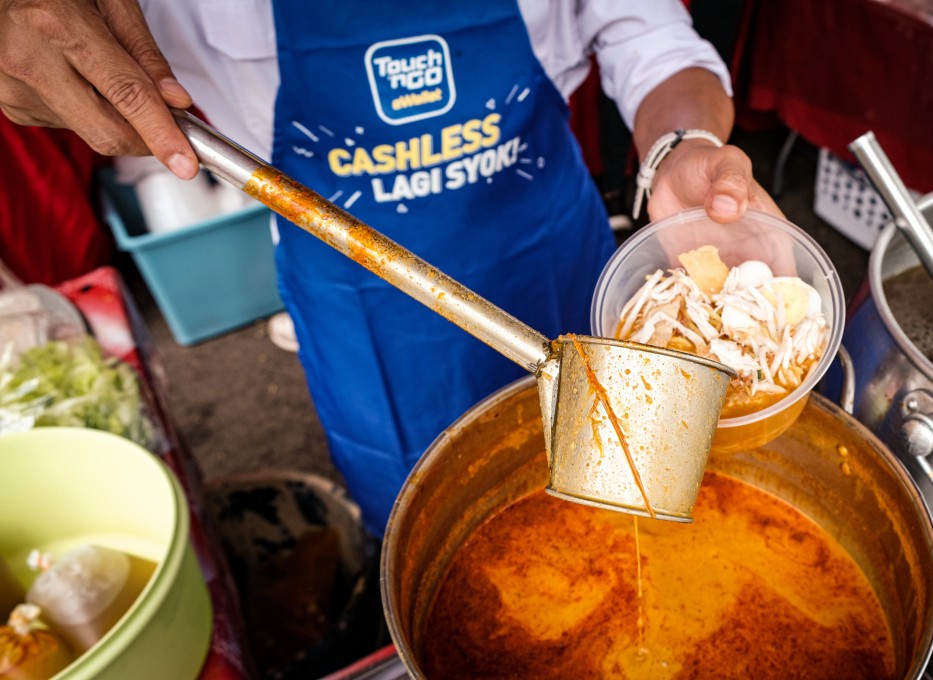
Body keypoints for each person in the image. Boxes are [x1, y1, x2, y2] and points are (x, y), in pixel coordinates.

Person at [0, 0, 782, 537]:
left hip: (551, 259)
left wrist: (685, 150)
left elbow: (647, 35)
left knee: (633, 499)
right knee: (429, 526)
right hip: (359, 301)